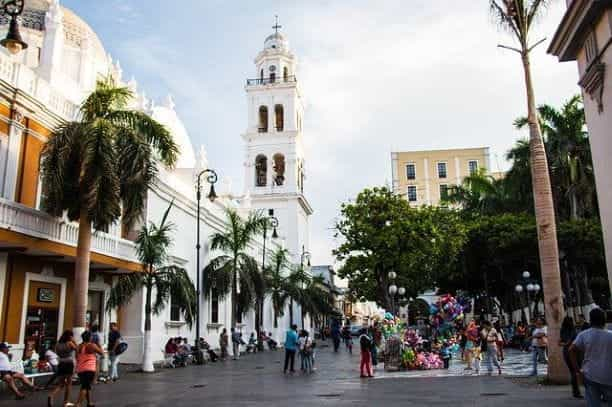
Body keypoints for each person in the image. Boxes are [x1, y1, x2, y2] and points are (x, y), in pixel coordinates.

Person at [570, 308, 612, 407]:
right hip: (609, 376)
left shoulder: (584, 335)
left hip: (590, 375)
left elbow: (571, 350)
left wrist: (578, 371)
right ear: (604, 320)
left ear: (590, 320)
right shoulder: (610, 335)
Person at [47, 330, 77, 406]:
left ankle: (51, 395)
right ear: (70, 336)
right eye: (72, 336)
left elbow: (57, 353)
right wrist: (74, 341)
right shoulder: (69, 343)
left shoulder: (57, 344)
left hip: (61, 363)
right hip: (69, 363)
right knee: (69, 384)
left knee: (61, 384)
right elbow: (77, 349)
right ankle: (65, 402)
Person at [74, 331, 103, 407]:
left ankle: (89, 403)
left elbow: (76, 357)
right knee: (84, 386)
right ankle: (78, 403)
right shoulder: (92, 345)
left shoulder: (79, 346)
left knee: (87, 386)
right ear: (90, 337)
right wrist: (99, 345)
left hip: (80, 369)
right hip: (89, 368)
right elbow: (101, 353)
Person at [560, 316, 582, 399]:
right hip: (573, 352)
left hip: (565, 352)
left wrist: (564, 344)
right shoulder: (573, 330)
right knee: (577, 371)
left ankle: (575, 391)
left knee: (573, 372)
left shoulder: (562, 330)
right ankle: (577, 391)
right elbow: (571, 340)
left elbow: (561, 341)